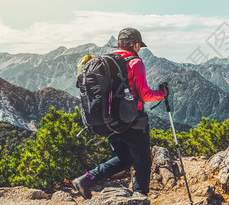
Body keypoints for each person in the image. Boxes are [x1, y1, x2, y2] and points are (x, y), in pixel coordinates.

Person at [72, 27, 167, 199]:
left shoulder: (107, 61)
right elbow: (145, 95)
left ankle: (86, 179)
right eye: (139, 45)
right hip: (133, 120)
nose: (139, 49)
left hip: (109, 121)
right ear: (133, 44)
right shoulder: (134, 63)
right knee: (143, 162)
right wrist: (162, 93)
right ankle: (139, 197)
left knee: (125, 159)